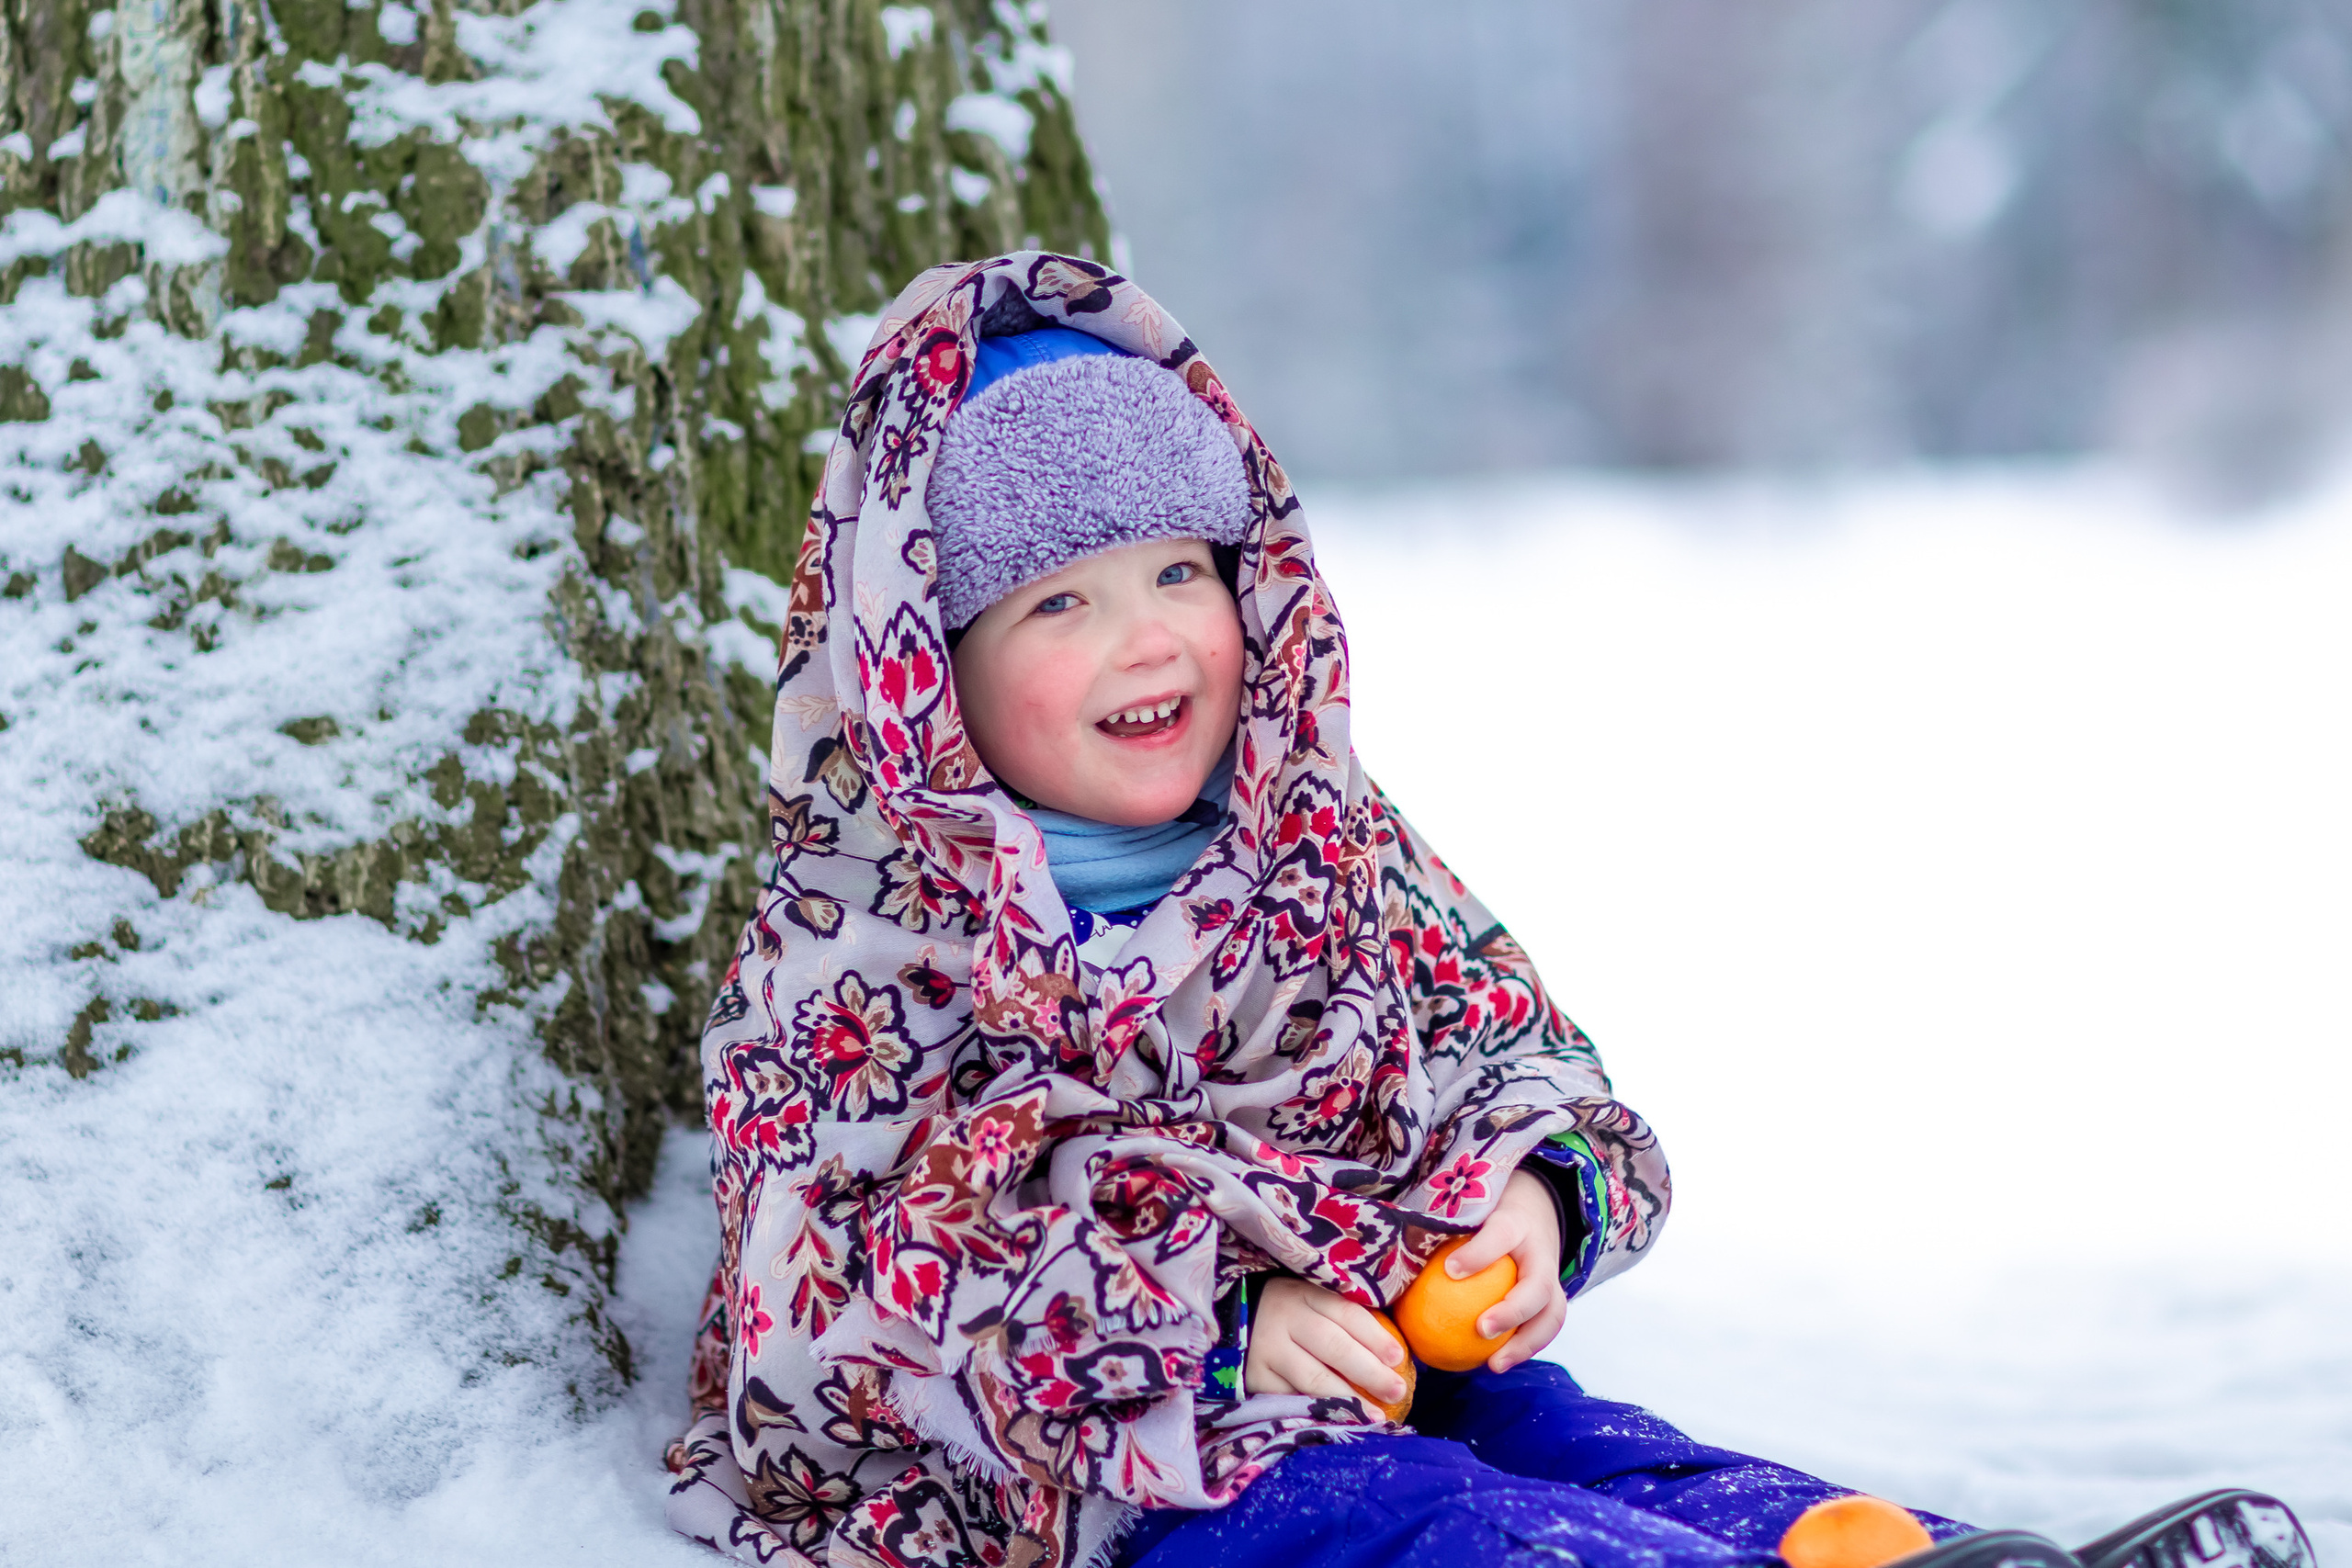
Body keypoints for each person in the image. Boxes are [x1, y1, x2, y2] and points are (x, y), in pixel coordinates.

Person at [664, 254, 2312, 1568]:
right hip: (1093, 1494)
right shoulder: (867, 936)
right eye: (1061, 603)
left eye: (1183, 574)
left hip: (1411, 1372)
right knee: (1406, 1527)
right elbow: (840, 1291)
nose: (1150, 641)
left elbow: (1514, 1051)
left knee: (1588, 1443)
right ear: (927, 672)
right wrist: (1214, 1328)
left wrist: (1536, 1198)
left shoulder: (1320, 847)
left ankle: (1906, 1558)